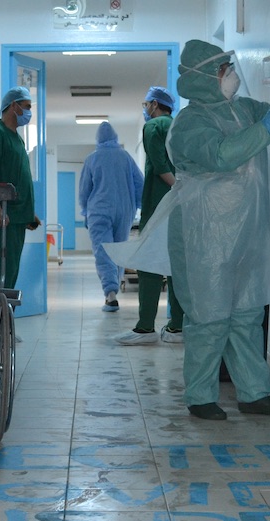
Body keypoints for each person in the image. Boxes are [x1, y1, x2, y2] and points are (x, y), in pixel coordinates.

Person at [166, 40, 270, 420]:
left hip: (247, 231)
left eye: (229, 66)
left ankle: (254, 393)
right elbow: (222, 154)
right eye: (222, 69)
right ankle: (200, 396)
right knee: (209, 317)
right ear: (202, 77)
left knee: (247, 314)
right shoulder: (188, 124)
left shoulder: (244, 110)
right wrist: (266, 127)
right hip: (204, 235)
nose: (230, 74)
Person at [113, 86, 185, 344]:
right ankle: (178, 327)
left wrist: (175, 188)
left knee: (148, 265)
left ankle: (145, 327)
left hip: (159, 205)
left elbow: (159, 164)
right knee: (177, 266)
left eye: (147, 104)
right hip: (180, 207)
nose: (146, 109)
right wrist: (183, 192)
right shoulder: (178, 125)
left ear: (155, 104)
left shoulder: (153, 126)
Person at [0, 86, 41, 289]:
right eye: (27, 107)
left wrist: (29, 213)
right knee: (0, 271)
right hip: (3, 217)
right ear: (14, 106)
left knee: (11, 270)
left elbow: (19, 176)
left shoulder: (17, 138)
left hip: (17, 217)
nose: (29, 112)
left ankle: (5, 308)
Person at [79, 122, 144, 312]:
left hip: (99, 211)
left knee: (104, 251)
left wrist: (85, 211)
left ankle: (110, 293)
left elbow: (84, 191)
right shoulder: (126, 157)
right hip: (125, 211)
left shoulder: (92, 159)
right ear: (115, 137)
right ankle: (114, 288)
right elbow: (139, 183)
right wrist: (140, 206)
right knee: (118, 250)